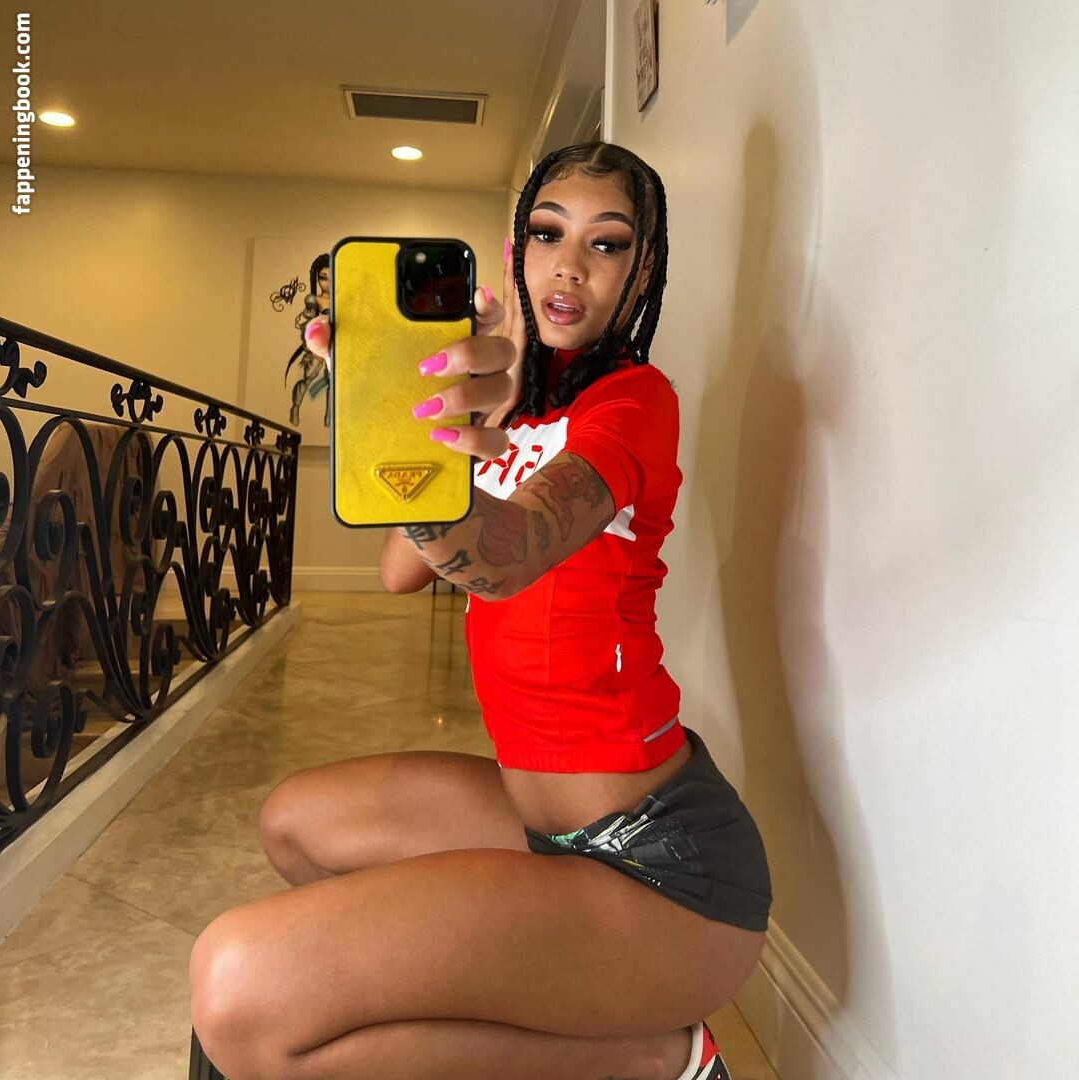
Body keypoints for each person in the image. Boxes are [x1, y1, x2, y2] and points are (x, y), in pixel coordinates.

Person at [189, 141, 772, 1080]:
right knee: (296, 824)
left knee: (238, 986)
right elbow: (400, 571)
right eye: (547, 234)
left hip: (662, 867)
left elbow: (505, 558)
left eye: (607, 244)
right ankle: (599, 1023)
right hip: (536, 820)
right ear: (514, 252)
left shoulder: (635, 405)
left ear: (643, 271)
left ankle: (658, 1058)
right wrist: (414, 415)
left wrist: (449, 457)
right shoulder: (508, 413)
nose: (569, 266)